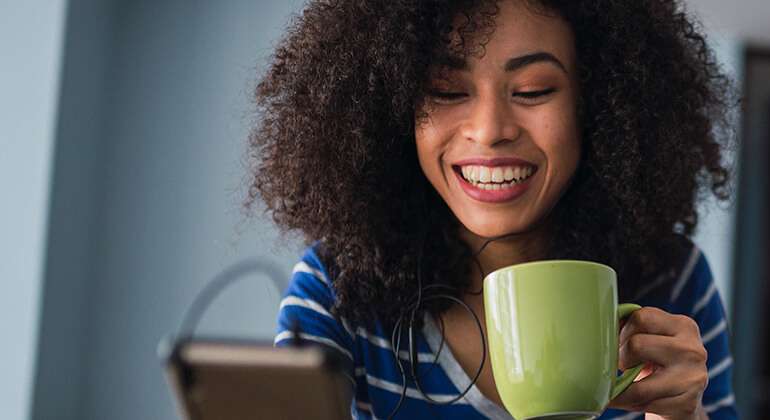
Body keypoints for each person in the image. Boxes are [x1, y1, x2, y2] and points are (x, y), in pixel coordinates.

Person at [249, 0, 736, 418]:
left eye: (532, 91)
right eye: (446, 90)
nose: (489, 129)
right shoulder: (337, 286)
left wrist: (682, 416)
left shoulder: (671, 281)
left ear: (599, 105)